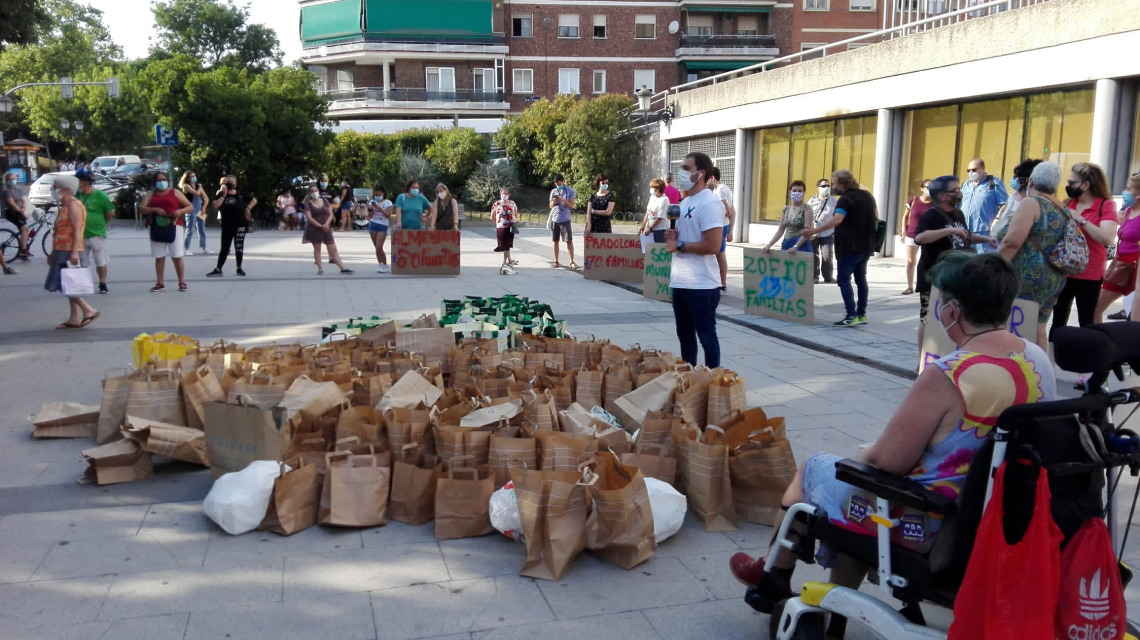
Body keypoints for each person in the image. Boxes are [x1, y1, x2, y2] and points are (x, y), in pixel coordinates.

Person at [728, 251, 1056, 600]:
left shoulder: (949, 374)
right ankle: (833, 601)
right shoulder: (1036, 358)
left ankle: (772, 574)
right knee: (858, 486)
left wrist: (864, 453)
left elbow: (886, 462)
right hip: (1003, 510)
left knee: (817, 470)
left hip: (931, 521)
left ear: (953, 312)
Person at [913, 176, 996, 347]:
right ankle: (922, 361)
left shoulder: (958, 213)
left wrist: (987, 239)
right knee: (928, 319)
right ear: (942, 195)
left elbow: (964, 236)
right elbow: (920, 237)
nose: (960, 193)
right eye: (955, 190)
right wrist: (948, 231)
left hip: (955, 277)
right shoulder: (932, 215)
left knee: (955, 318)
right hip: (933, 277)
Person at [996, 160, 1069, 352]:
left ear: (1031, 182)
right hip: (1053, 278)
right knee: (1038, 329)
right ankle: (1042, 375)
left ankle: (1016, 371)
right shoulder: (1061, 207)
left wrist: (992, 266)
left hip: (1025, 278)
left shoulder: (1031, 203)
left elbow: (1012, 242)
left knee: (1014, 328)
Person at [665, 152, 724, 368]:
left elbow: (713, 245)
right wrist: (673, 238)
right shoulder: (685, 201)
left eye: (686, 168)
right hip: (680, 281)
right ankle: (690, 383)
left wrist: (681, 245)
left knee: (706, 337)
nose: (681, 172)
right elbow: (683, 239)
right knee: (685, 338)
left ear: (701, 173)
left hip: (702, 285)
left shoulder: (709, 203)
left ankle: (713, 383)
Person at [1048, 162, 1118, 340]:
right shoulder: (1067, 203)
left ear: (1085, 185)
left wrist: (1082, 220)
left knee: (1087, 322)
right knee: (1057, 321)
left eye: (1072, 182)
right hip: (1063, 271)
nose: (1068, 186)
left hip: (1090, 274)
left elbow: (1107, 238)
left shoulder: (1105, 205)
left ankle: (1091, 365)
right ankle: (1052, 363)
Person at [801, 169, 878, 327]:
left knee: (844, 279)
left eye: (834, 183)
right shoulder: (867, 196)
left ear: (842, 184)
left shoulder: (845, 199)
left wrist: (814, 231)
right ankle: (861, 314)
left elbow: (837, 219)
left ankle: (851, 315)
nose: (832, 187)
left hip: (849, 246)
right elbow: (876, 217)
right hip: (866, 245)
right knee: (861, 279)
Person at [43, 175, 99, 328]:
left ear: (65, 190)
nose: (52, 191)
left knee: (62, 283)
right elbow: (58, 232)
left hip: (69, 250)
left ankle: (88, 310)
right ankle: (74, 317)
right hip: (61, 250)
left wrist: (74, 252)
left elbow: (77, 231)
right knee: (69, 283)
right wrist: (53, 253)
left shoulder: (74, 205)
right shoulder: (64, 206)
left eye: (55, 188)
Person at [1096, 173, 1140, 322]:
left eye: (1128, 189)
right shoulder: (1127, 211)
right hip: (1120, 266)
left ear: (1138, 194)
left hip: (1135, 267)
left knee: (1134, 315)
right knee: (1096, 307)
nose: (1125, 192)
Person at [139, 172, 191, 292]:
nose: (162, 182)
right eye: (159, 180)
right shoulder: (150, 194)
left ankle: (181, 282)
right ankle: (160, 283)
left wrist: (180, 212)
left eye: (164, 179)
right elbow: (141, 208)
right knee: (159, 256)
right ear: (155, 182)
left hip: (174, 225)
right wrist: (154, 209)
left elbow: (190, 206)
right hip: (156, 226)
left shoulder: (175, 192)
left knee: (177, 255)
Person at [207, 175, 255, 278]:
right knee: (224, 247)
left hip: (240, 224)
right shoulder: (220, 194)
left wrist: (248, 207)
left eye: (232, 182)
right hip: (227, 225)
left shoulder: (241, 194)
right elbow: (215, 205)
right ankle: (218, 269)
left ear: (236, 184)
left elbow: (254, 200)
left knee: (239, 247)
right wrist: (223, 194)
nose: (230, 183)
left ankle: (239, 267)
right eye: (228, 181)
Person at [75, 169, 115, 294]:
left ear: (85, 182)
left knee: (100, 260)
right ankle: (85, 284)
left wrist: (101, 223)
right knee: (83, 261)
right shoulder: (77, 195)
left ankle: (102, 283)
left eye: (78, 180)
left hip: (96, 234)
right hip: (80, 234)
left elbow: (110, 213)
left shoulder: (100, 195)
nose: (76, 183)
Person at [301, 184, 353, 276]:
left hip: (326, 228)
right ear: (309, 193)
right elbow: (309, 218)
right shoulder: (308, 204)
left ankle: (343, 268)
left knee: (333, 249)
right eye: (312, 191)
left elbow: (330, 214)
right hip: (314, 229)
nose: (314, 193)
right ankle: (320, 268)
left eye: (315, 190)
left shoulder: (325, 201)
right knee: (317, 249)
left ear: (318, 191)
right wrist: (320, 226)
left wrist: (326, 224)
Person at [961, 158, 1008, 253]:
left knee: (983, 263)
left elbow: (1005, 204)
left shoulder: (994, 183)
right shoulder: (965, 185)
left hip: (985, 233)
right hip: (966, 232)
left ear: (982, 169)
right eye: (968, 170)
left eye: (974, 170)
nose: (970, 172)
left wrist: (997, 219)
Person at [899, 179, 933, 295]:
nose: (930, 190)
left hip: (928, 236)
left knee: (926, 261)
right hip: (912, 234)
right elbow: (905, 216)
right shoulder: (913, 201)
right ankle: (909, 286)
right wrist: (904, 230)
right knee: (910, 261)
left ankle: (926, 285)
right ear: (922, 188)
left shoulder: (935, 203)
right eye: (927, 187)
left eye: (932, 187)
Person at [992, 159, 1042, 236]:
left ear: (1025, 180)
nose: (1014, 179)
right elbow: (1003, 213)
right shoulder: (1013, 197)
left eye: (1017, 177)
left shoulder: (1034, 203)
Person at [761, 180, 813, 255]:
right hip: (786, 242)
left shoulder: (807, 208)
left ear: (803, 192)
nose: (797, 193)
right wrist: (769, 245)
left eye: (799, 191)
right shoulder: (786, 209)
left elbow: (807, 231)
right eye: (794, 190)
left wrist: (795, 247)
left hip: (801, 244)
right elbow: (781, 230)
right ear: (790, 192)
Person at [708, 167, 734, 292]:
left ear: (712, 178)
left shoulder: (719, 191)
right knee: (720, 254)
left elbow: (728, 211)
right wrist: (731, 230)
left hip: (720, 225)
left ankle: (722, 283)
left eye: (708, 178)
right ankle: (721, 283)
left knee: (719, 255)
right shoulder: (726, 189)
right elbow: (733, 210)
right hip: (725, 225)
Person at [808, 178, 837, 284]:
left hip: (828, 232)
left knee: (827, 255)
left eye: (828, 186)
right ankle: (814, 276)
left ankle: (828, 276)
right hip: (814, 232)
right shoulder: (811, 201)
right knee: (814, 254)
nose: (826, 188)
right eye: (823, 186)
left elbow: (836, 216)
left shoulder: (833, 201)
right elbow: (806, 216)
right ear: (818, 188)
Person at [549, 174, 577, 269]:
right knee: (555, 241)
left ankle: (571, 261)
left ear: (564, 181)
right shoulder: (553, 191)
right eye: (557, 184)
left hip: (565, 219)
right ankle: (556, 261)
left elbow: (571, 205)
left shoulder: (570, 191)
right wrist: (553, 202)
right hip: (555, 219)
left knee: (569, 241)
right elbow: (550, 206)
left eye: (560, 184)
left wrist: (562, 199)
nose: (558, 186)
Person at [179, 171, 208, 255]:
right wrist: (200, 187)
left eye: (194, 176)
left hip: (200, 209)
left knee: (202, 228)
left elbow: (206, 198)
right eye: (192, 176)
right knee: (190, 229)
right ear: (187, 178)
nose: (194, 177)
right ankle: (187, 248)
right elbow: (197, 193)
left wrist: (204, 207)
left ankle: (204, 247)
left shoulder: (198, 186)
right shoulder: (186, 186)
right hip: (191, 209)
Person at [3, 173, 30, 260]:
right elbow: (12, 204)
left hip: (20, 212)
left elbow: (23, 200)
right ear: (6, 181)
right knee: (24, 228)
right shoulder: (6, 190)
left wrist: (24, 207)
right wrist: (23, 213)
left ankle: (22, 251)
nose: (12, 181)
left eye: (13, 179)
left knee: (25, 230)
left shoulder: (17, 189)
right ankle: (24, 250)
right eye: (10, 180)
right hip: (11, 212)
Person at [492, 187, 518, 275]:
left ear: (509, 194)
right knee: (503, 245)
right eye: (502, 193)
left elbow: (516, 214)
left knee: (507, 245)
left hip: (510, 226)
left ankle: (506, 263)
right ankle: (507, 262)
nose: (504, 195)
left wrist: (511, 219)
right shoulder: (497, 204)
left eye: (506, 193)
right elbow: (492, 217)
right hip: (501, 226)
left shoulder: (512, 203)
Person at [368, 185, 392, 273]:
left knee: (379, 246)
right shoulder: (372, 202)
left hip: (383, 225)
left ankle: (385, 264)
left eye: (379, 194)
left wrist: (380, 208)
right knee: (376, 247)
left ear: (383, 194)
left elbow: (388, 216)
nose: (377, 196)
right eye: (375, 195)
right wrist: (370, 210)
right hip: (373, 224)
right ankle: (380, 264)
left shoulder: (388, 203)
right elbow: (370, 216)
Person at [640, 178, 670, 243]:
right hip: (650, 228)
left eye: (653, 188)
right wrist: (643, 225)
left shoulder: (664, 199)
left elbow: (660, 217)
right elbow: (648, 212)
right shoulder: (652, 197)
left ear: (658, 189)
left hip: (660, 230)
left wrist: (650, 228)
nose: (651, 189)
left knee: (657, 249)